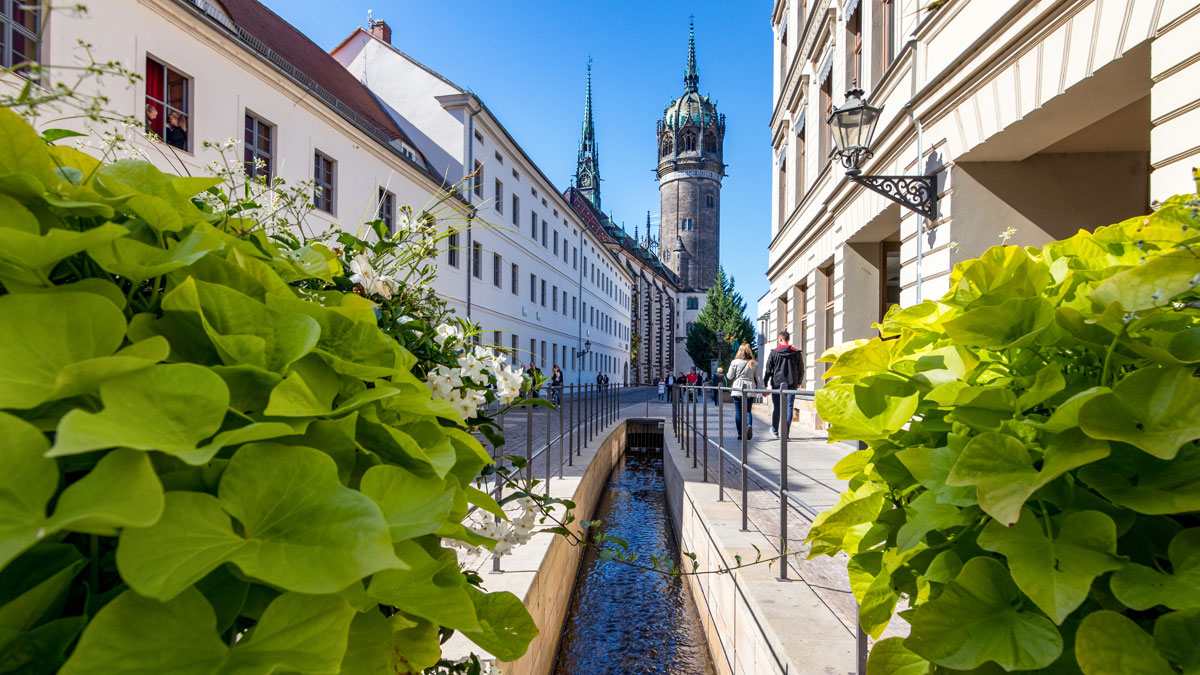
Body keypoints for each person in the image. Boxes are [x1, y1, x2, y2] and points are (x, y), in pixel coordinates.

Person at [763, 330, 804, 437]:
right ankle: (786, 433)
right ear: (788, 339)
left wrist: (764, 383)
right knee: (789, 407)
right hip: (791, 383)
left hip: (777, 383)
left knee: (777, 407)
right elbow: (801, 369)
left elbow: (768, 369)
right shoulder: (796, 353)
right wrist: (799, 381)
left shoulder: (774, 352)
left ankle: (775, 430)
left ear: (780, 339)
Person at [727, 344, 762, 440]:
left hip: (737, 388)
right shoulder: (754, 363)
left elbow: (729, 376)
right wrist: (763, 389)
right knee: (747, 410)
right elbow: (759, 378)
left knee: (738, 411)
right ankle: (749, 425)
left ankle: (740, 434)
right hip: (750, 389)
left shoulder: (734, 362)